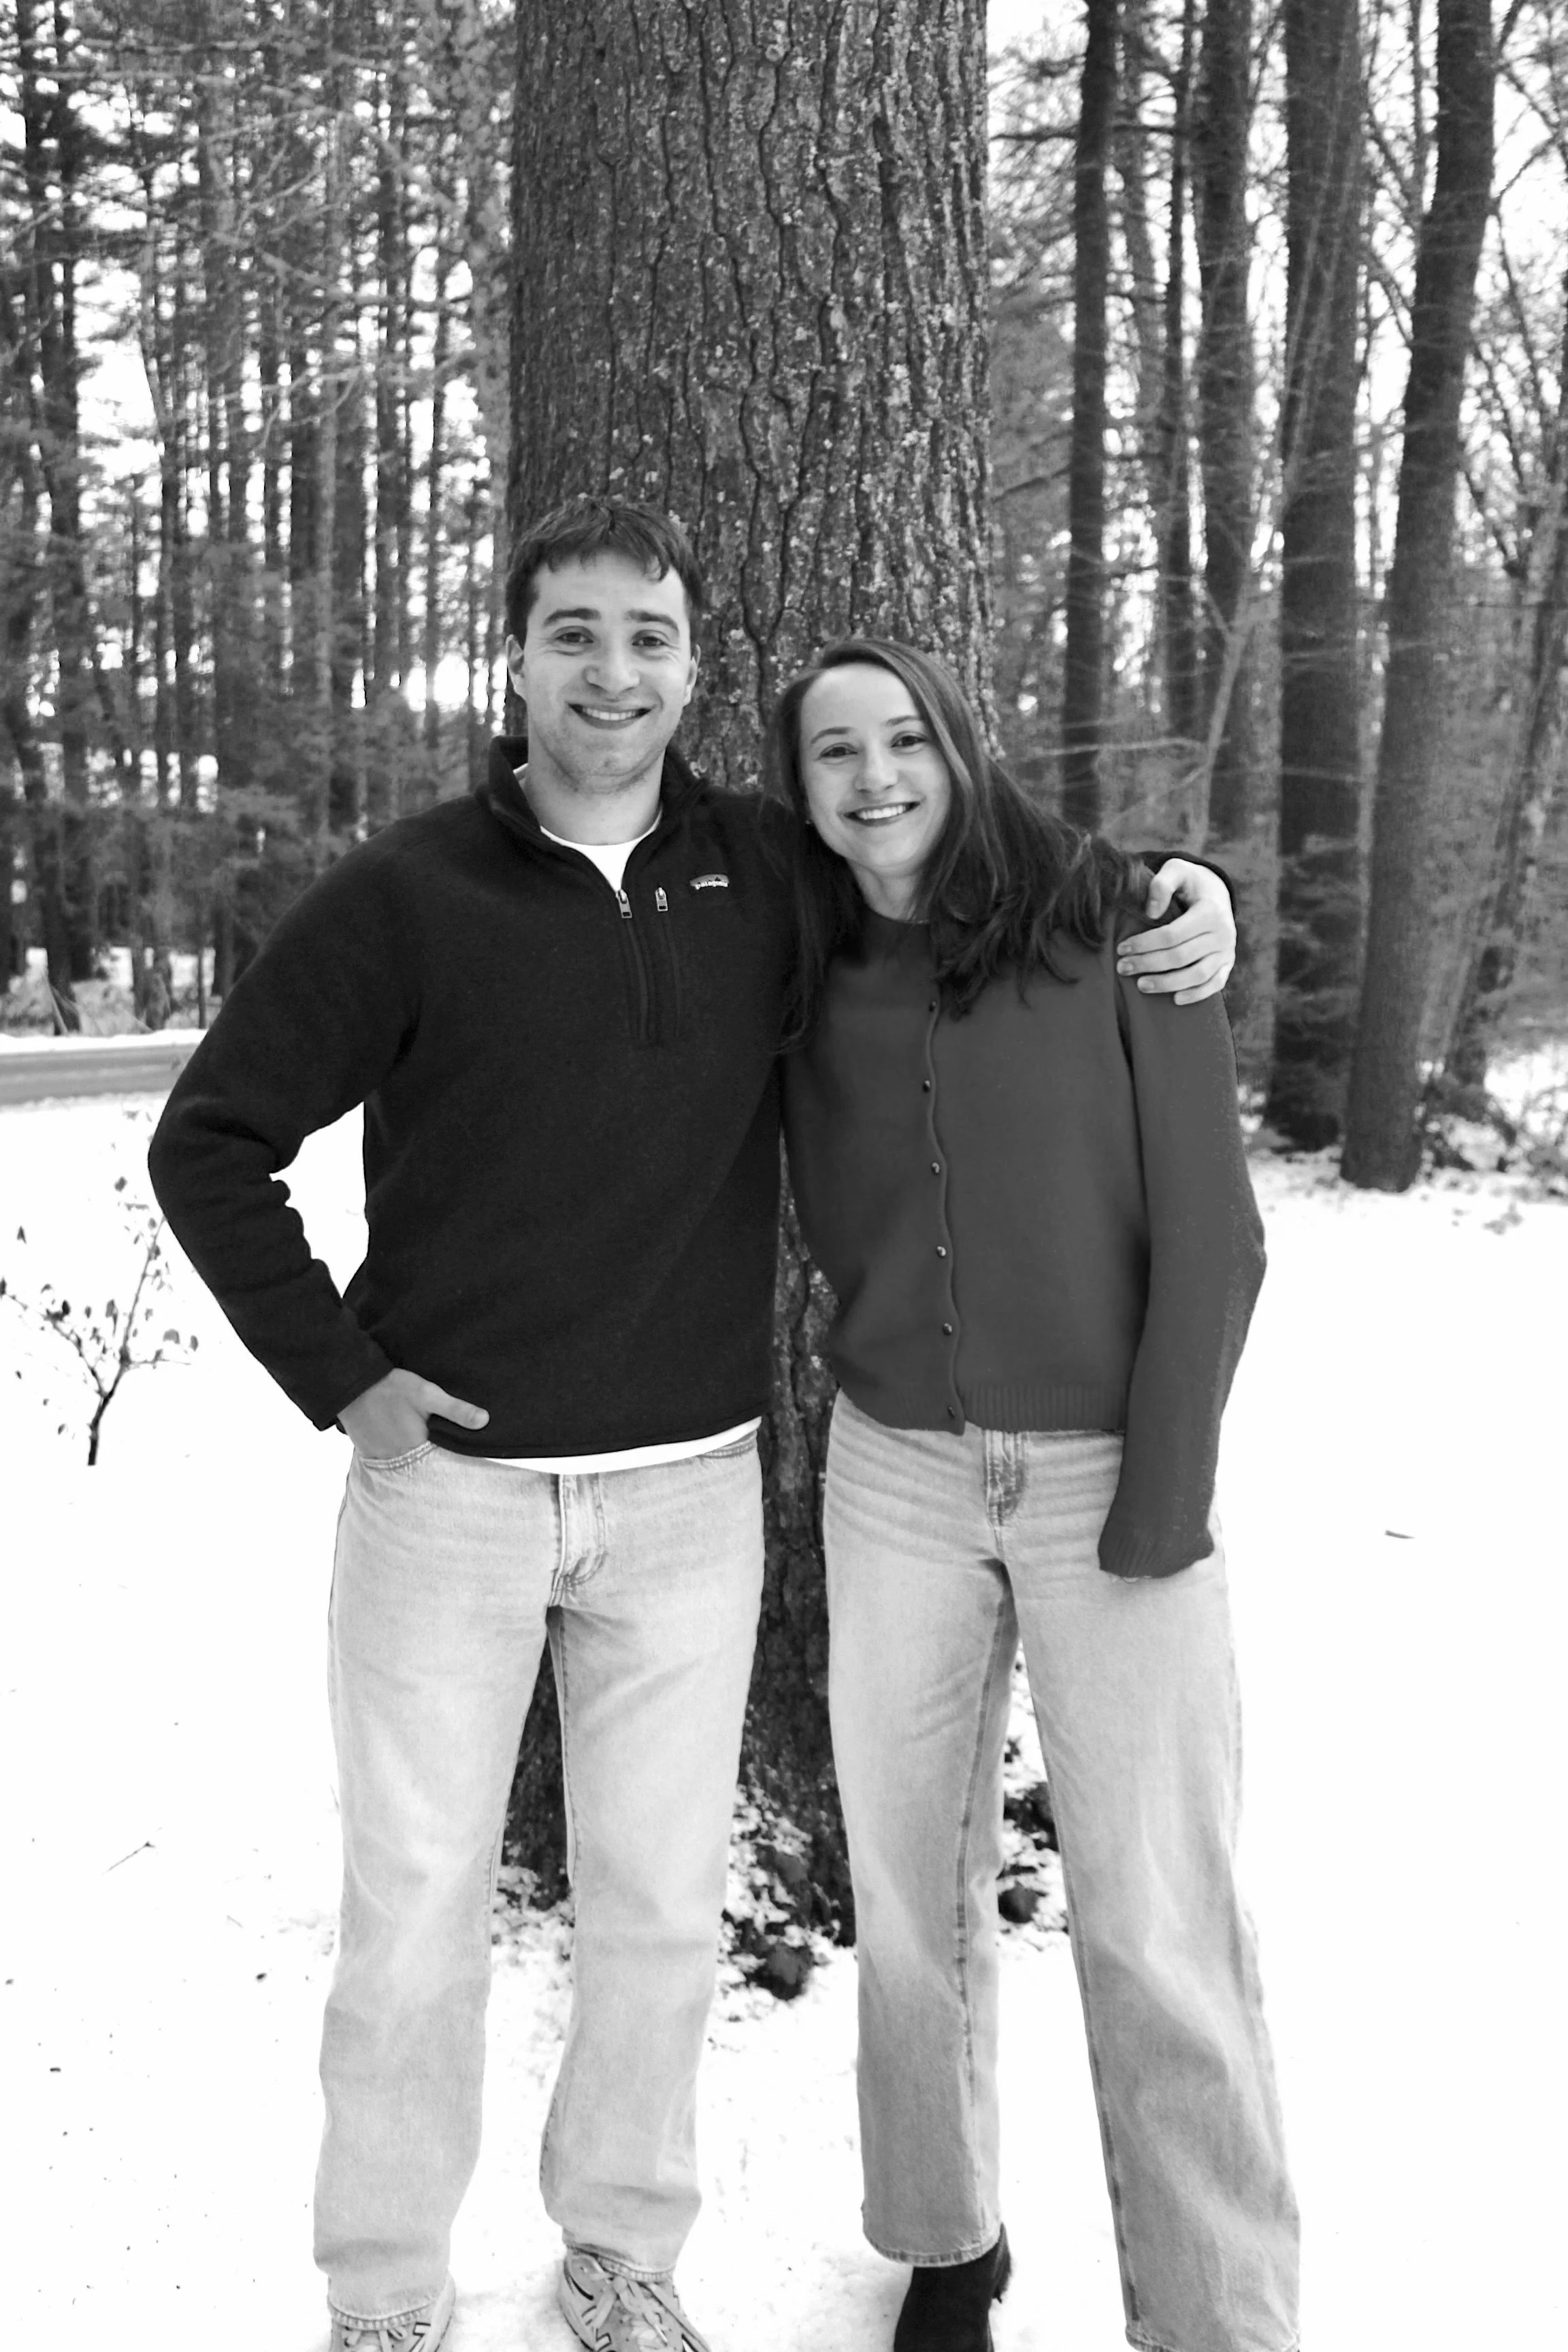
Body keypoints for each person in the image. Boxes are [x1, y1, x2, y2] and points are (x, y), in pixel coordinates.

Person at [147, 500, 1239, 2352]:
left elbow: (957, 856)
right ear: (511, 659)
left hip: (687, 1495)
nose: (613, 671)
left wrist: (1174, 879)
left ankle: (621, 2252)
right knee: (411, 1914)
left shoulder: (764, 868)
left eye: (648, 637)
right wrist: (342, 1374)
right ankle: (387, 2291)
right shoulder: (410, 896)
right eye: (572, 633)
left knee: (655, 1912)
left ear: (692, 669)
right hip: (451, 1504)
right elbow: (212, 1142)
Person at [768, 639, 1299, 2352]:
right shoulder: (803, 955)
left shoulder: (1109, 918)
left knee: (1157, 1919)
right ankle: (944, 2240)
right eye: (833, 752)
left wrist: (1167, 1491)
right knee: (911, 1893)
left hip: (1107, 1478)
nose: (873, 778)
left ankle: (1219, 2314)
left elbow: (1219, 1235)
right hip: (897, 1477)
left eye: (904, 737)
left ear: (959, 743)